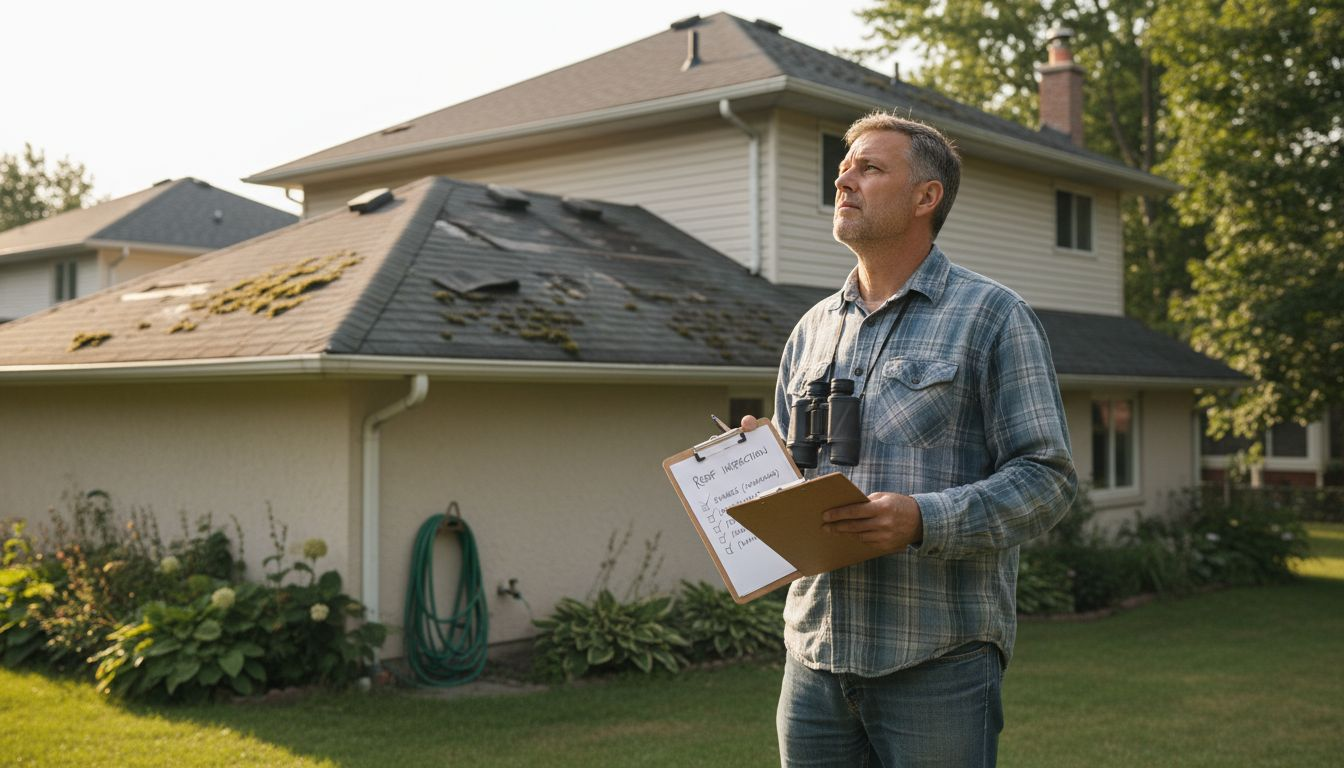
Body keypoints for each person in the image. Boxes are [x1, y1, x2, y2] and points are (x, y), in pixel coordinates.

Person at [741, 112, 1077, 767]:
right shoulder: (811, 330)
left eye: (869, 168)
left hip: (938, 661)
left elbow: (1049, 478)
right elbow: (801, 478)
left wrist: (924, 519)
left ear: (927, 197)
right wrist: (758, 466)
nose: (844, 179)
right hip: (813, 660)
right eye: (843, 168)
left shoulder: (993, 318)